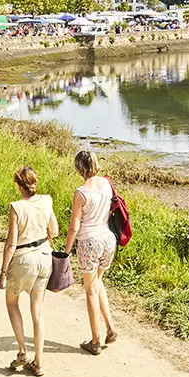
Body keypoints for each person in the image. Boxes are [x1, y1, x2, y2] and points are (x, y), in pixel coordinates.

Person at [0, 167, 57, 377]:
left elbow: (11, 244)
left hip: (23, 259)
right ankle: (38, 362)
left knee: (12, 302)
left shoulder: (16, 207)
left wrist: (3, 272)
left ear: (18, 186)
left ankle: (23, 350)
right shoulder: (47, 200)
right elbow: (55, 231)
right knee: (37, 312)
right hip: (44, 257)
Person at [64, 150, 118, 355]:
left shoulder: (81, 193)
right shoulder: (106, 184)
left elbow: (74, 226)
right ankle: (110, 327)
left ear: (79, 169)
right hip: (108, 240)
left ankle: (95, 341)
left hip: (89, 242)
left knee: (90, 291)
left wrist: (66, 251)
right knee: (98, 282)